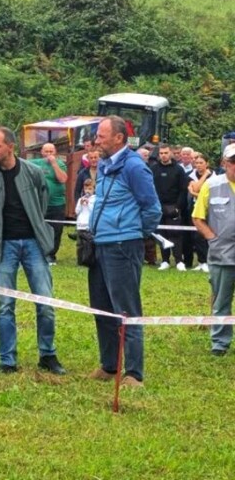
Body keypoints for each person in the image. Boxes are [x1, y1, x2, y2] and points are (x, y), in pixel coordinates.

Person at [0, 127, 65, 376]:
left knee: (45, 302)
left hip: (34, 243)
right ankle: (7, 360)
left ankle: (48, 355)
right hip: (4, 246)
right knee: (5, 305)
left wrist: (36, 224)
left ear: (10, 147)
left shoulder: (33, 172)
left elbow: (43, 200)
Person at [87, 116, 161, 388]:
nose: (96, 140)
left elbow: (152, 209)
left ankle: (133, 373)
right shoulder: (105, 165)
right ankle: (109, 366)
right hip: (100, 244)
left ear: (119, 138)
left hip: (123, 246)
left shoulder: (134, 167)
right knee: (102, 309)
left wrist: (133, 234)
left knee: (127, 309)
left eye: (101, 136)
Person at [193, 144, 235, 356]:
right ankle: (220, 343)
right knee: (221, 302)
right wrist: (213, 238)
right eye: (233, 161)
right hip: (222, 255)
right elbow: (197, 218)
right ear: (224, 163)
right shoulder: (211, 185)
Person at [151, 144, 189, 271]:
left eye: (166, 153)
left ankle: (179, 261)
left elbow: (183, 190)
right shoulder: (153, 169)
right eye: (161, 153)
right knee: (162, 234)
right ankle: (165, 260)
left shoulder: (178, 169)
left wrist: (178, 207)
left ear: (171, 153)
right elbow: (150, 188)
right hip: (158, 207)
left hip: (174, 206)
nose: (163, 155)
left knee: (176, 233)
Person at [30, 143, 68, 264]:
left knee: (56, 230)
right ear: (42, 152)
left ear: (55, 152)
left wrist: (54, 164)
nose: (49, 154)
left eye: (51, 151)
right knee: (39, 229)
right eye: (46, 151)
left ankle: (51, 255)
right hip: (40, 203)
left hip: (57, 203)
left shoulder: (60, 164)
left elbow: (63, 179)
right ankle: (39, 253)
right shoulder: (35, 163)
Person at [187, 152, 213, 272]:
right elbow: (197, 189)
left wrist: (195, 193)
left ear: (207, 164)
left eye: (201, 163)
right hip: (196, 209)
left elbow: (209, 195)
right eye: (196, 163)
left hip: (211, 209)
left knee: (209, 235)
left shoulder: (215, 176)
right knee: (197, 236)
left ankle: (210, 261)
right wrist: (204, 175)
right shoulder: (191, 175)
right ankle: (202, 261)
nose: (198, 165)